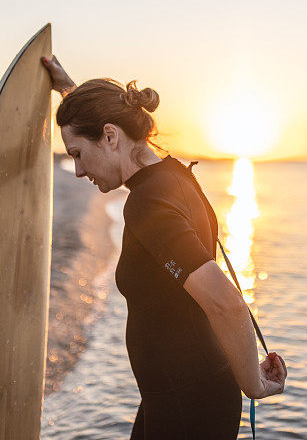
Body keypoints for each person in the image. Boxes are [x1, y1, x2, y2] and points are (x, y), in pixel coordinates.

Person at [41, 55, 287, 439]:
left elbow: (226, 302)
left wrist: (254, 383)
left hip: (188, 407)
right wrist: (71, 93)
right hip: (179, 397)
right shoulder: (172, 175)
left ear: (110, 136)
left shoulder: (147, 205)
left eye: (76, 154)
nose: (78, 170)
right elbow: (104, 135)